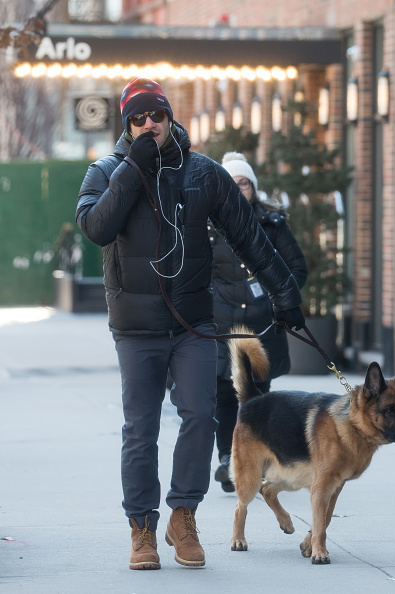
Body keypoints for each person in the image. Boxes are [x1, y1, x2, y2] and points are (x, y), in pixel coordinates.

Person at [76, 78, 305, 571]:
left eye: (156, 115)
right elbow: (96, 228)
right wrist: (132, 170)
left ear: (169, 116)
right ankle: (142, 529)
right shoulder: (105, 171)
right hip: (136, 329)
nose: (149, 124)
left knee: (201, 416)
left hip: (193, 324)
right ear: (127, 124)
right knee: (141, 428)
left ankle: (184, 516)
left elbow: (249, 237)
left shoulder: (202, 173)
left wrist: (286, 294)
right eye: (138, 118)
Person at [209, 152, 308, 492]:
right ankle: (227, 458)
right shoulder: (208, 224)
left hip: (265, 323)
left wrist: (278, 298)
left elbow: (296, 268)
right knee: (225, 392)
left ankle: (259, 457)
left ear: (253, 186)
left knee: (260, 396)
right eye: (231, 183)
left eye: (244, 183)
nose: (238, 190)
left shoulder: (273, 223)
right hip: (222, 325)